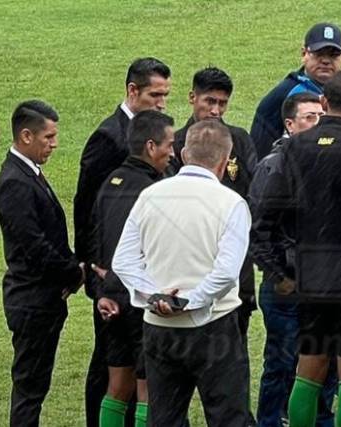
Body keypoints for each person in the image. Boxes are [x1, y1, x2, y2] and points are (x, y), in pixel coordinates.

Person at [252, 70, 341, 427]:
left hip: (310, 282)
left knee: (308, 370)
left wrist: (279, 274)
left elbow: (263, 220)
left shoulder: (293, 148)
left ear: (324, 102)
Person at [114, 119, 251, 427]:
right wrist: (188, 301)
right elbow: (226, 273)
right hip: (215, 327)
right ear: (225, 161)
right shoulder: (232, 203)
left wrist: (156, 297)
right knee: (229, 419)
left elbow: (123, 261)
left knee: (164, 419)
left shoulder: (150, 195)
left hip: (159, 328)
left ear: (184, 154)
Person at [75, 57, 171, 427]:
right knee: (110, 366)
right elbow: (88, 210)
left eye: (165, 95)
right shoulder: (109, 137)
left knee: (124, 368)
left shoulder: (153, 133)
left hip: (128, 274)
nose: (161, 103)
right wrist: (94, 275)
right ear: (133, 90)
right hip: (113, 276)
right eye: (155, 95)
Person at [0, 100, 85, 426]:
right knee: (29, 388)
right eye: (48, 137)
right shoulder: (15, 182)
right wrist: (74, 272)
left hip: (40, 298)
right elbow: (34, 246)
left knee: (35, 385)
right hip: (32, 300)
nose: (54, 144)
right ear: (26, 136)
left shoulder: (26, 173)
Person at [250, 93, 337, 427]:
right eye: (309, 117)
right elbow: (258, 230)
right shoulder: (274, 166)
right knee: (281, 363)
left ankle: (319, 420)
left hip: (322, 285)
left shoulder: (327, 161)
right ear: (289, 124)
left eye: (321, 117)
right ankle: (270, 421)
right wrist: (280, 276)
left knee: (324, 362)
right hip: (287, 287)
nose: (317, 124)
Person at [91, 110, 175, 427]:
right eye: (169, 144)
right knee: (148, 390)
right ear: (151, 146)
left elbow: (97, 239)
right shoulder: (153, 191)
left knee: (118, 386)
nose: (173, 152)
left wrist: (103, 290)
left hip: (112, 298)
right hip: (141, 298)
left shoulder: (111, 181)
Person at [169, 66, 259, 348]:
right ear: (192, 98)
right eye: (209, 101)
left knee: (233, 350)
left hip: (234, 266)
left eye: (222, 103)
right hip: (188, 263)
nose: (216, 110)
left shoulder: (239, 140)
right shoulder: (174, 143)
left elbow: (254, 194)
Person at [250, 22, 341, 158]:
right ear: (304, 54)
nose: (325, 61)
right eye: (318, 54)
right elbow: (259, 151)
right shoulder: (285, 93)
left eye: (333, 55)